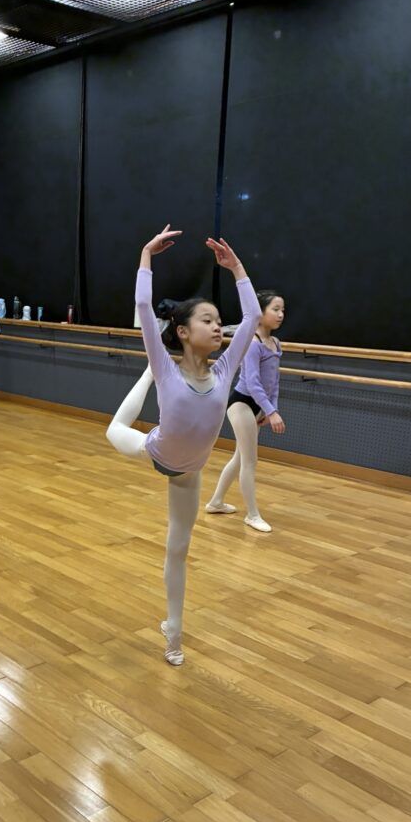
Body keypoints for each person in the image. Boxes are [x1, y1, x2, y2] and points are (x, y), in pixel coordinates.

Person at [106, 227, 261, 665]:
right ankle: (144, 378)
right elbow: (142, 306)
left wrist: (237, 269)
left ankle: (173, 630)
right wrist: (145, 256)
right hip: (154, 451)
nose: (217, 326)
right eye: (207, 320)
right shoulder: (168, 367)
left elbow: (251, 317)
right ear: (183, 331)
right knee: (114, 429)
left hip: (189, 472)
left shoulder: (225, 370)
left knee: (178, 549)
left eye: (218, 320)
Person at [206, 291, 286, 531]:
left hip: (257, 406)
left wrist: (270, 409)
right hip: (241, 403)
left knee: (240, 458)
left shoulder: (275, 343)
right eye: (275, 309)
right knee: (250, 462)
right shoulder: (253, 343)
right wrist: (270, 412)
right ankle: (252, 515)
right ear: (260, 312)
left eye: (283, 310)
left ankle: (216, 502)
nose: (280, 314)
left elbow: (274, 382)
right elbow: (252, 383)